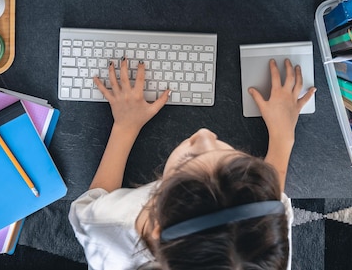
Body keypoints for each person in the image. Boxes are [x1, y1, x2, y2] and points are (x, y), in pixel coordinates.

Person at [69, 57, 316, 270]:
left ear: (156, 225)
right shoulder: (264, 251)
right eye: (237, 164)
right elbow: (271, 197)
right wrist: (283, 136)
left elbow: (88, 205)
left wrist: (124, 126)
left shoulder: (110, 224)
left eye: (190, 160)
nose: (205, 134)